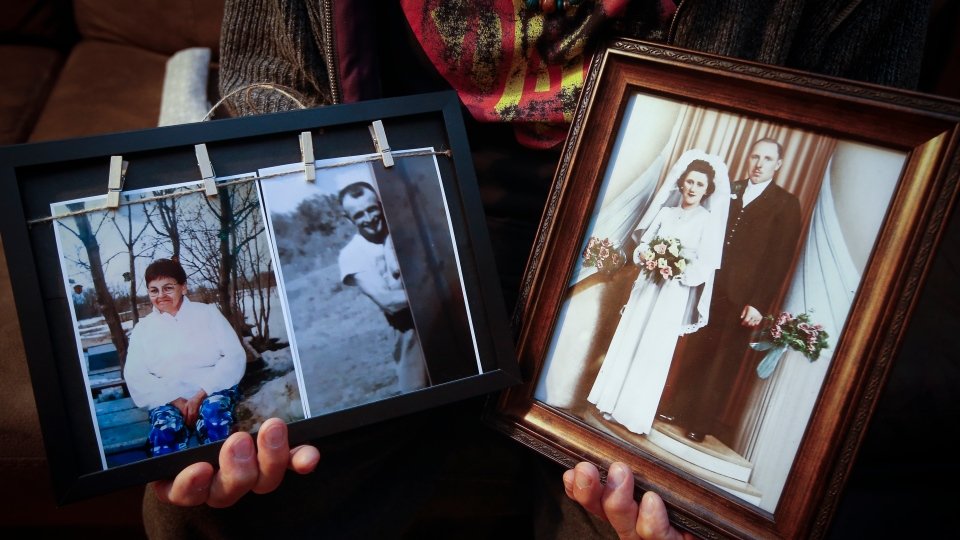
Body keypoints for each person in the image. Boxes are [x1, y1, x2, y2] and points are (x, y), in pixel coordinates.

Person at [659, 139, 802, 444]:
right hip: (712, 285)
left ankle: (701, 422)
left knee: (725, 360)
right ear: (748, 158)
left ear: (777, 165)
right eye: (755, 156)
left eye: (767, 159)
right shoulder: (728, 189)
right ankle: (678, 409)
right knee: (698, 347)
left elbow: (780, 259)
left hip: (746, 296)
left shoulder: (786, 204)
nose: (759, 164)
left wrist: (759, 304)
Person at [588, 152, 730, 436]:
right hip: (648, 285)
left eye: (699, 185)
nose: (692, 188)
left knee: (654, 349)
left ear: (708, 190)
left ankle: (634, 414)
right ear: (681, 183)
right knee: (632, 335)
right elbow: (642, 247)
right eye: (689, 182)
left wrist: (677, 268)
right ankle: (610, 402)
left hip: (673, 293)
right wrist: (651, 256)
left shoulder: (707, 221)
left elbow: (705, 267)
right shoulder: (666, 213)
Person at [124, 258, 247, 456]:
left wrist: (202, 394)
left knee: (214, 418)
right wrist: (175, 400)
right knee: (165, 430)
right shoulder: (143, 330)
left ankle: (225, 474)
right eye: (154, 290)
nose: (161, 295)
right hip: (167, 397)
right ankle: (178, 482)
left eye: (168, 288)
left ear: (184, 287)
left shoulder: (207, 314)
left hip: (212, 390)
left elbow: (234, 356)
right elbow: (135, 374)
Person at [338, 181, 428, 393]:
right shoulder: (352, 254)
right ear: (348, 218)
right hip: (406, 328)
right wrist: (432, 290)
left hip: (443, 316)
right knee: (417, 393)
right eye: (359, 214)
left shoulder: (404, 230)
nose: (369, 218)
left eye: (371, 209)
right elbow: (389, 302)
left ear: (380, 204)